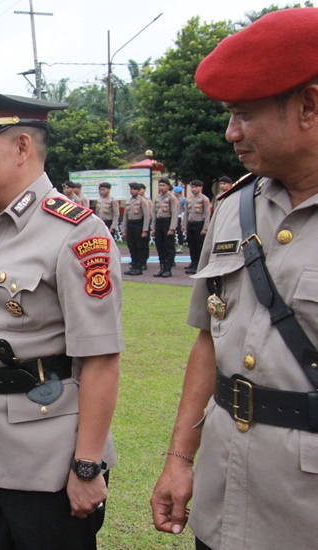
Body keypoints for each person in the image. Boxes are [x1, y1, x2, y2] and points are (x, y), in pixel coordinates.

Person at [150, 8, 318, 549]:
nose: (230, 133)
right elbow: (209, 339)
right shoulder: (236, 207)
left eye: (243, 114)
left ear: (309, 106)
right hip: (228, 493)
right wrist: (180, 458)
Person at [0, 79, 123, 549]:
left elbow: (101, 358)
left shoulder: (75, 232)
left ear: (22, 146)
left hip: (46, 460)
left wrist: (86, 465)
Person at [152, 178, 179, 277]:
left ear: (168, 186)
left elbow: (174, 213)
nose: (161, 187)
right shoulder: (157, 198)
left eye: (163, 185)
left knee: (168, 247)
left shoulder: (172, 198)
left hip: (167, 222)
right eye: (160, 185)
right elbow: (154, 213)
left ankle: (168, 269)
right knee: (160, 246)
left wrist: (172, 228)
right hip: (159, 223)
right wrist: (153, 227)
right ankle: (162, 267)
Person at [121, 182, 150, 275]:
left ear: (138, 190)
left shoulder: (142, 201)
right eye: (131, 189)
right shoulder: (129, 201)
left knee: (139, 246)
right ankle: (133, 265)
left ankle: (139, 266)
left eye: (134, 189)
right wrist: (124, 230)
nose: (132, 191)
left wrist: (145, 230)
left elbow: (146, 216)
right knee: (131, 246)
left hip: (139, 224)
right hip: (130, 225)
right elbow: (125, 217)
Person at [182, 180, 210, 274]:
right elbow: (186, 213)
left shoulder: (204, 199)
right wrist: (184, 225)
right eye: (192, 187)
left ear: (200, 187)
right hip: (191, 224)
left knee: (199, 246)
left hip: (199, 224)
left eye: (195, 187)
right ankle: (193, 263)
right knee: (191, 245)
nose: (193, 189)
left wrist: (205, 228)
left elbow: (207, 214)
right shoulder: (189, 199)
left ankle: (198, 265)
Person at [173, 185, 186, 252]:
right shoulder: (173, 199)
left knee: (179, 232)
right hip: (174, 217)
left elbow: (185, 209)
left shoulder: (183, 199)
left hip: (180, 217)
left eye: (175, 192)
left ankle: (180, 247)